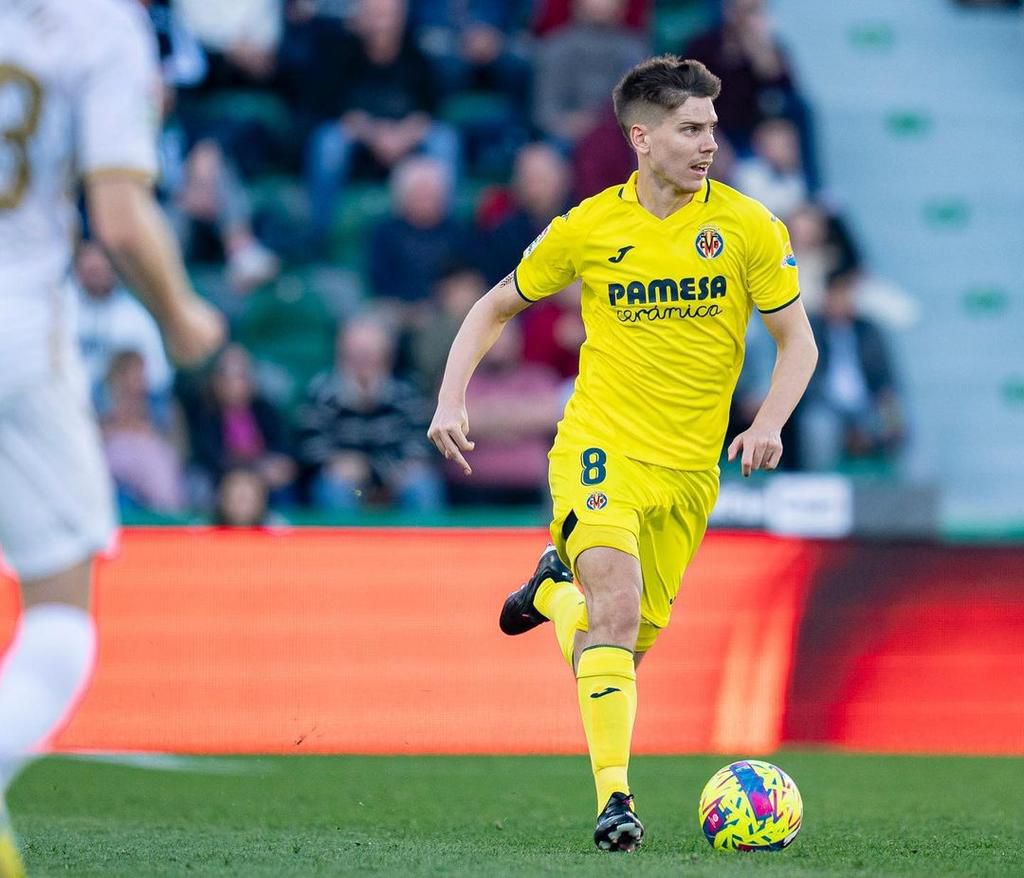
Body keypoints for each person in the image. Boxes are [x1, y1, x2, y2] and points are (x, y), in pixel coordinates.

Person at [428, 55, 817, 851]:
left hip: (689, 472)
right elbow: (495, 304)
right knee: (615, 608)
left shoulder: (747, 228)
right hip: (601, 448)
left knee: (617, 643)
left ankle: (549, 594)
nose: (709, 142)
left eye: (712, 126)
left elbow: (797, 343)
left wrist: (770, 420)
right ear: (643, 137)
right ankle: (617, 802)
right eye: (690, 128)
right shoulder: (588, 227)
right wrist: (450, 395)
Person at [0, 2, 225, 874]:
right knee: (60, 627)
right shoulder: (101, 27)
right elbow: (121, 217)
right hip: (17, 336)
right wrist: (179, 313)